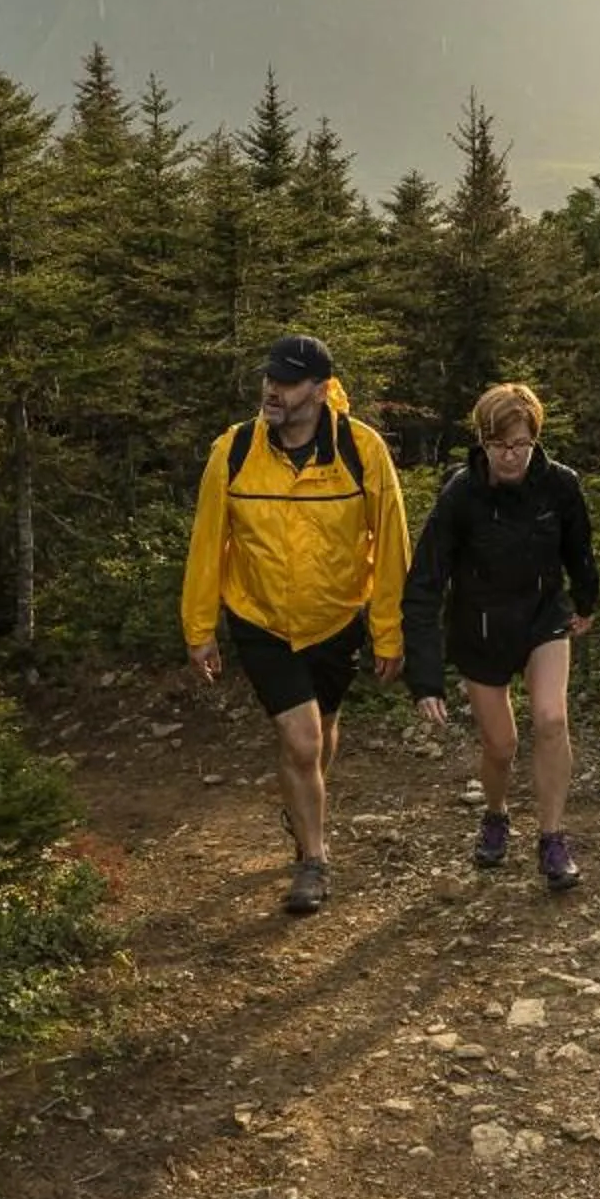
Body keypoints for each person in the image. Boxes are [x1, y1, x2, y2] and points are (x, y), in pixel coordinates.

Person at [180, 334, 410, 916]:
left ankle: (303, 807)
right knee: (302, 740)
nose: (272, 390)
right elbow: (208, 543)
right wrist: (199, 628)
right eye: (270, 379)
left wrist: (389, 631)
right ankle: (314, 859)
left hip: (336, 619)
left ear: (321, 389)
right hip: (260, 619)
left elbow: (391, 546)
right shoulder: (234, 451)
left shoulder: (361, 450)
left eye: (286, 382)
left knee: (321, 732)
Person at [402, 383, 598, 891]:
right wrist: (425, 678)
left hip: (542, 617)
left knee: (551, 719)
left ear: (535, 440)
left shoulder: (560, 485)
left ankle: (552, 839)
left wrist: (586, 602)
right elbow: (424, 583)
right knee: (501, 745)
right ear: (482, 442)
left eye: (520, 445)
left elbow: (579, 549)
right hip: (480, 627)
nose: (510, 456)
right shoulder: (460, 494)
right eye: (499, 445)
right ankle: (495, 813)